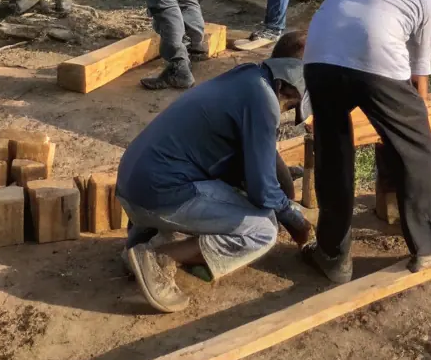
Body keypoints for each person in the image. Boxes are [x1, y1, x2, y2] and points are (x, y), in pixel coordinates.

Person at [300, 0, 431, 284]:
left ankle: (332, 255)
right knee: (416, 149)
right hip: (374, 49)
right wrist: (410, 130)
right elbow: (419, 73)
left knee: (333, 149)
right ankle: (430, 246)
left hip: (317, 53)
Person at [116, 42, 313, 313]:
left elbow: (253, 161)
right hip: (157, 194)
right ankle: (158, 259)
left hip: (133, 184)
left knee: (227, 189)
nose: (287, 111)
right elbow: (263, 192)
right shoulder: (264, 101)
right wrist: (294, 219)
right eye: (291, 105)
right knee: (263, 229)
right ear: (286, 89)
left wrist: (276, 182)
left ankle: (141, 241)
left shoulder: (246, 78)